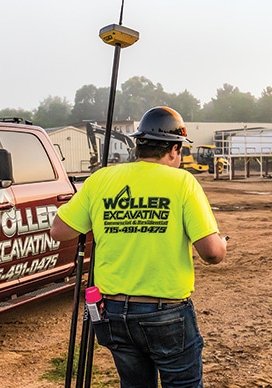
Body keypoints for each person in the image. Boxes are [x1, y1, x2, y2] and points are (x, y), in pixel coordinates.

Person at [50, 106, 227, 387]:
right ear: (173, 150)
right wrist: (222, 244)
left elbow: (59, 230)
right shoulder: (182, 183)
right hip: (165, 313)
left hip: (113, 312)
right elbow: (212, 253)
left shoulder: (101, 179)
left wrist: (106, 215)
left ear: (139, 145)